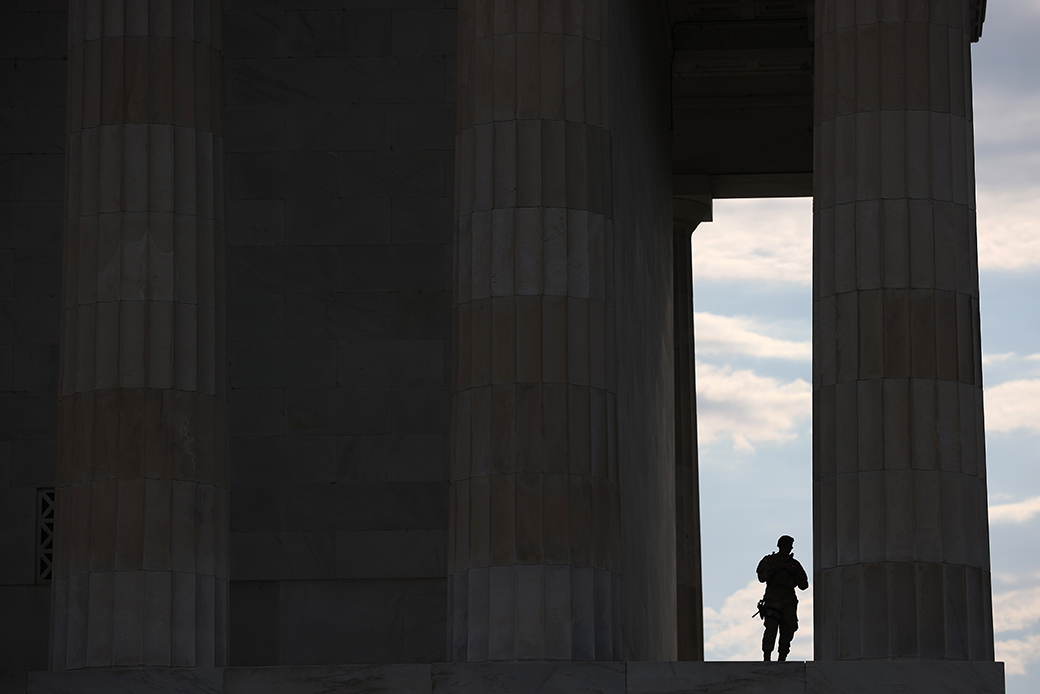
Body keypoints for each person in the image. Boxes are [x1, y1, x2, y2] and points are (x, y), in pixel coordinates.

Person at [756, 535, 808, 662]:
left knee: (788, 630)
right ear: (780, 546)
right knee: (771, 629)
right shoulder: (770, 560)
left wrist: (792, 571)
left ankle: (782, 659)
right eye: (785, 546)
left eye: (789, 547)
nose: (787, 549)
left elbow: (804, 585)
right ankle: (767, 657)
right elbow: (762, 577)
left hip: (789, 601)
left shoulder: (794, 565)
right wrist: (776, 568)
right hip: (773, 600)